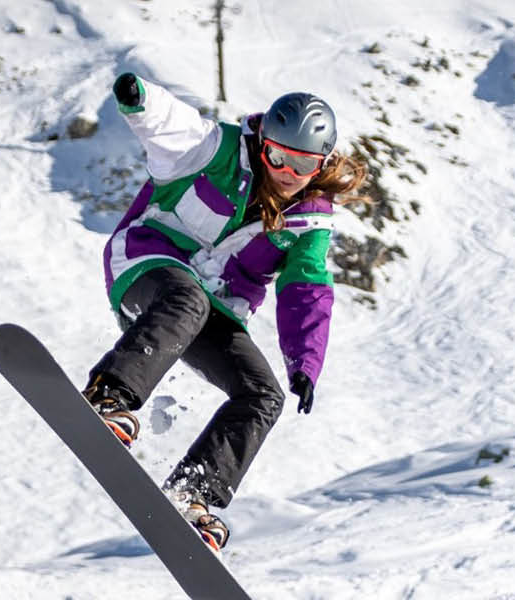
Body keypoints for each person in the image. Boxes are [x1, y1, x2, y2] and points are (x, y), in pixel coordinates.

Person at [81, 72, 366, 554]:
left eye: (304, 165)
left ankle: (193, 492)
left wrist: (305, 362)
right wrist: (141, 100)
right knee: (185, 299)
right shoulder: (214, 151)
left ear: (321, 165)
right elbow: (173, 126)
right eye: (278, 157)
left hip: (213, 310)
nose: (288, 173)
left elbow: (307, 291)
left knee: (262, 395)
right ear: (263, 144)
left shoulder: (309, 220)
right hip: (147, 266)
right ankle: (110, 396)